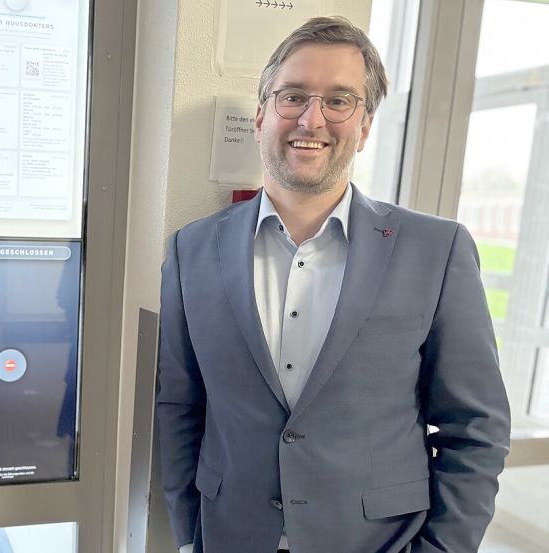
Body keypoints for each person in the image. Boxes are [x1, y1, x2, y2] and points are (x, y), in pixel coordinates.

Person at [157, 16, 510, 553]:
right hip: (231, 536)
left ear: (365, 126)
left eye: (339, 101)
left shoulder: (436, 251)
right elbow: (180, 406)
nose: (312, 118)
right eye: (292, 96)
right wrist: (188, 537)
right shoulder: (191, 250)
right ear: (261, 116)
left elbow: (475, 429)